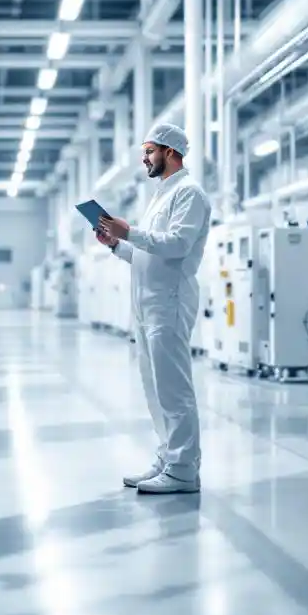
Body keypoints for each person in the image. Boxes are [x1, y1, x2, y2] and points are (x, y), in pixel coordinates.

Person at [95, 123, 211, 495]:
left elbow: (176, 245)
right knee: (155, 387)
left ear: (170, 152)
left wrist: (129, 231)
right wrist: (117, 244)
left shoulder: (189, 194)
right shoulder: (161, 196)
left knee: (174, 389)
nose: (144, 158)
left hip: (169, 303)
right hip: (147, 306)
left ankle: (183, 469)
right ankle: (168, 456)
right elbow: (148, 252)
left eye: (149, 151)